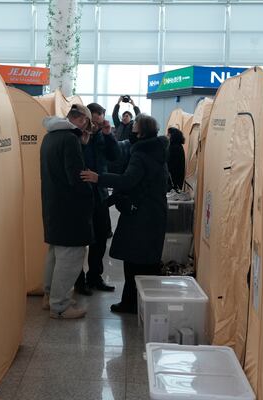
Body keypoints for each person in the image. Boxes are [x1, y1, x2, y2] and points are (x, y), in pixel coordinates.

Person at [81, 114, 168, 313]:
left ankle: (130, 303)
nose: (131, 128)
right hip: (154, 212)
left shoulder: (140, 154)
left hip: (140, 215)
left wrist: (98, 178)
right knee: (148, 261)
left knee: (133, 260)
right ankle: (146, 303)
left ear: (141, 131)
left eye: (135, 125)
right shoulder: (159, 150)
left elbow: (128, 180)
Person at [41, 104, 94, 319]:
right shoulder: (70, 139)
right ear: (81, 120)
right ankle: (60, 306)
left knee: (54, 254)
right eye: (88, 124)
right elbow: (76, 177)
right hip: (70, 208)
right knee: (71, 256)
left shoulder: (49, 137)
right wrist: (89, 192)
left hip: (53, 204)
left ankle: (49, 297)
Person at [74, 103, 121, 295]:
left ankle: (95, 276)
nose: (95, 125)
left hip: (100, 193)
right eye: (92, 121)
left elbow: (115, 156)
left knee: (101, 237)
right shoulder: (75, 136)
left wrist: (109, 135)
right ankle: (78, 281)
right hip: (80, 194)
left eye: (99, 121)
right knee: (79, 240)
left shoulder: (103, 135)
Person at [167, 127, 186, 191]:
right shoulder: (179, 146)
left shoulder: (173, 147)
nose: (167, 136)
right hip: (178, 174)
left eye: (168, 134)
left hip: (173, 175)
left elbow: (170, 162)